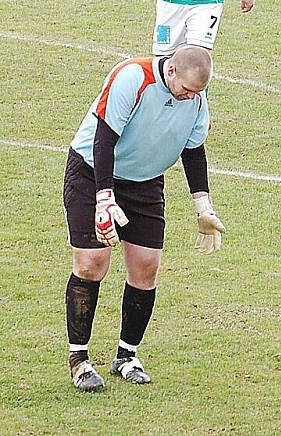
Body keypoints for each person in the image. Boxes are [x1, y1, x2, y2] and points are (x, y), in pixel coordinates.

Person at [63, 46, 225, 392]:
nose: (190, 98)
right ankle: (79, 359)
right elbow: (104, 141)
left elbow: (193, 150)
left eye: (197, 93)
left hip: (145, 181)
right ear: (171, 72)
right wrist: (103, 199)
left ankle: (126, 355)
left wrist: (203, 206)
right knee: (92, 263)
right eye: (187, 90)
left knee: (146, 266)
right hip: (93, 172)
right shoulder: (132, 77)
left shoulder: (196, 97)